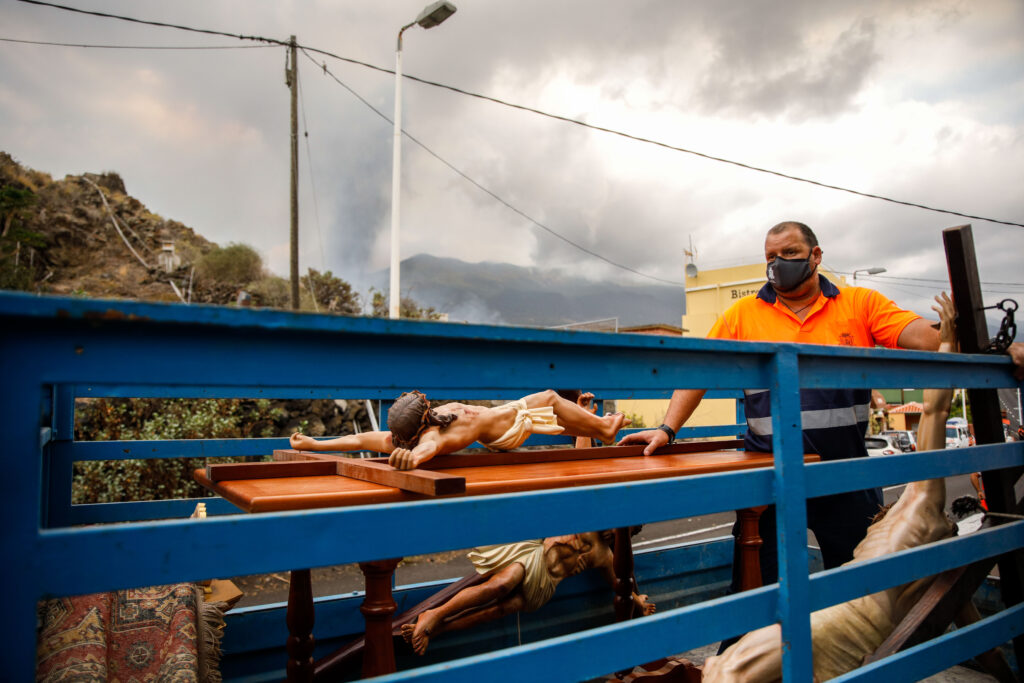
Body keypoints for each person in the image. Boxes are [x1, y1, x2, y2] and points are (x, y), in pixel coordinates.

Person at [620, 221, 1023, 635]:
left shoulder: (860, 305)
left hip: (845, 476)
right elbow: (697, 371)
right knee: (758, 595)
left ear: (816, 256)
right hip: (770, 480)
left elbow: (926, 336)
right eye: (770, 258)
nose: (778, 264)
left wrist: (997, 348)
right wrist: (667, 430)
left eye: (790, 254)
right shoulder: (742, 314)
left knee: (858, 595)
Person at [400, 529, 655, 655]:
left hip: (545, 586)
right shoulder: (587, 514)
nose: (613, 532)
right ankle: (434, 614)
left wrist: (638, 602)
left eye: (623, 534)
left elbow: (619, 583)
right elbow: (579, 458)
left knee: (498, 610)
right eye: (618, 526)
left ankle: (438, 629)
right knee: (500, 585)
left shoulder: (604, 556)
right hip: (534, 559)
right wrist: (587, 428)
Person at [290, 389, 630, 470]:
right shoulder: (428, 439)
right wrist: (407, 460)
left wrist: (314, 442)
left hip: (504, 418)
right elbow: (421, 453)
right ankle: (603, 428)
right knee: (550, 398)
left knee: (552, 404)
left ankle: (590, 421)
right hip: (505, 428)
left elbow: (358, 437)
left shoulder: (424, 423)